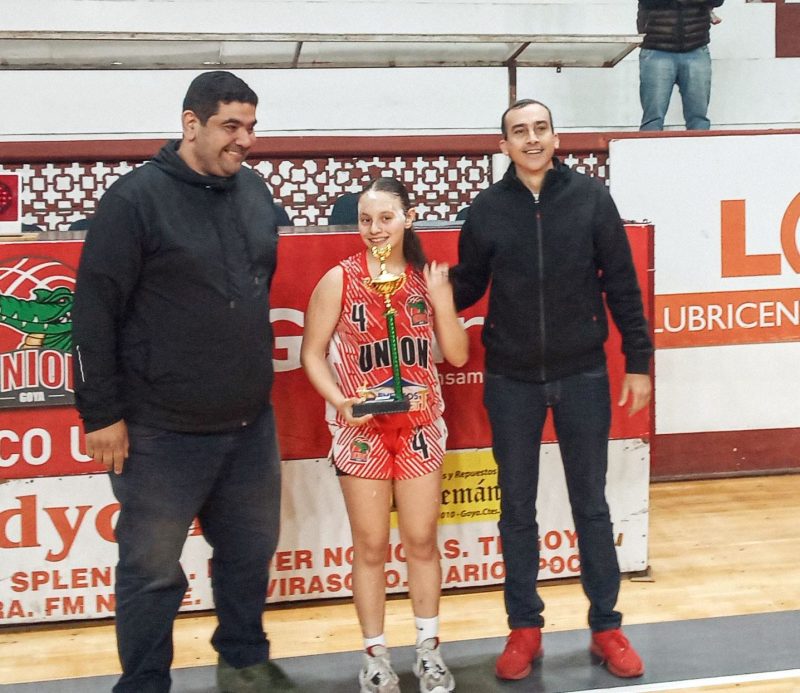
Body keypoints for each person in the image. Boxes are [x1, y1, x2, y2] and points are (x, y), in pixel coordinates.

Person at [71, 71, 293, 693]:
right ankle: (144, 684)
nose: (245, 140)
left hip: (249, 424)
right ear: (190, 124)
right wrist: (100, 414)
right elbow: (92, 314)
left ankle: (244, 664)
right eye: (231, 126)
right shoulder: (133, 201)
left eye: (252, 127)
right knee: (151, 572)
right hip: (159, 432)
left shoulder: (254, 191)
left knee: (249, 555)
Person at [450, 99, 653, 681]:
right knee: (516, 509)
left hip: (582, 373)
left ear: (556, 138)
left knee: (592, 504)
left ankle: (606, 626)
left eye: (541, 128)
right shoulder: (486, 210)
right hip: (510, 379)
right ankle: (524, 629)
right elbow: (467, 286)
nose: (532, 139)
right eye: (520, 132)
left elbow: (622, 283)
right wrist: (420, 287)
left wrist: (638, 361)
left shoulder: (590, 198)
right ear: (504, 146)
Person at [301, 176, 468, 693]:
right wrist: (340, 401)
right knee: (371, 545)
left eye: (386, 218)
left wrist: (442, 301)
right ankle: (375, 655)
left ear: (408, 219)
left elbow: (457, 355)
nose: (375, 229)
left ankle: (428, 651)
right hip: (363, 433)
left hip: (419, 428)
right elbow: (311, 354)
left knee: (421, 541)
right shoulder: (339, 280)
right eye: (366, 220)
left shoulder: (425, 280)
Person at [638, 0, 725, 130]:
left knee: (698, 119)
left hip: (696, 47)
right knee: (653, 120)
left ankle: (700, 144)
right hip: (656, 48)